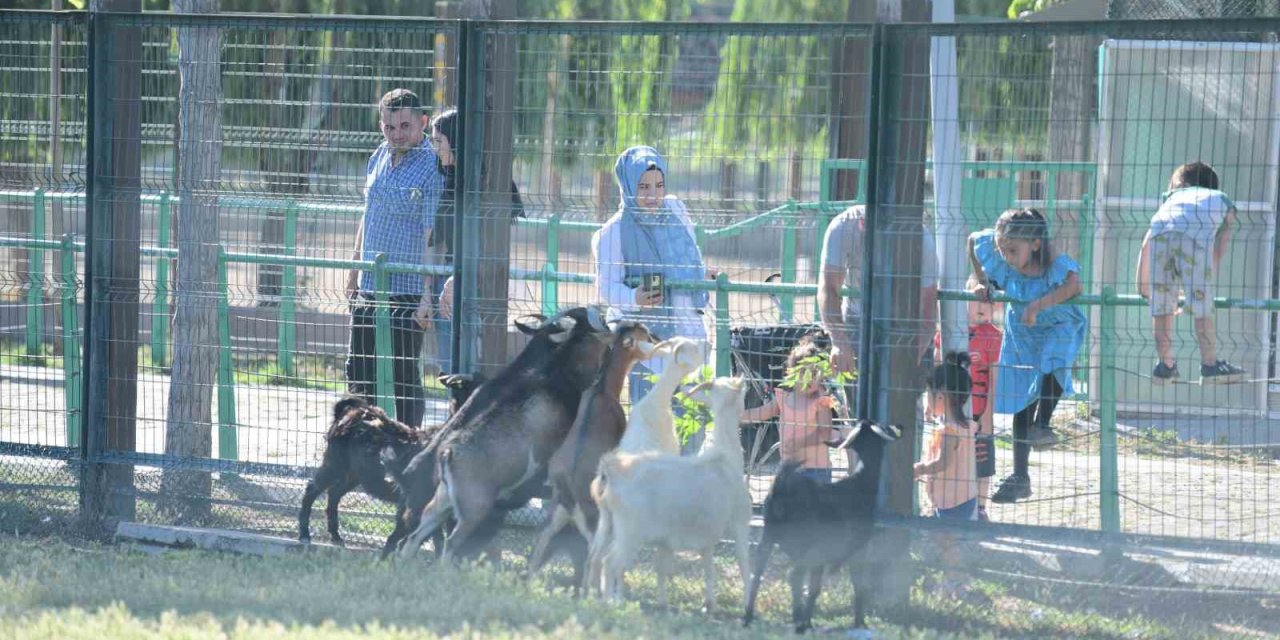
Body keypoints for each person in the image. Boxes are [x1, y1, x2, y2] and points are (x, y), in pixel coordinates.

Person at [592, 145, 712, 454]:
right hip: (649, 343)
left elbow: (690, 252)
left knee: (692, 416)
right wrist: (635, 297)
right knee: (652, 422)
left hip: (689, 330)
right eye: (643, 186)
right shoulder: (613, 232)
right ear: (628, 186)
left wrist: (700, 274)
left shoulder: (675, 211)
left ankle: (686, 485)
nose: (652, 194)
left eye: (659, 185)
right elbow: (607, 289)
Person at [968, 208, 1086, 504]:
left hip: (1058, 322)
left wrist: (1037, 306)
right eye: (1001, 250)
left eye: (1012, 250)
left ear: (1035, 244)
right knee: (1023, 395)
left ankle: (1043, 425)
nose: (1006, 256)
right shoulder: (1004, 262)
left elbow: (1074, 285)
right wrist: (980, 280)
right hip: (1022, 330)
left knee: (1054, 362)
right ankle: (1020, 476)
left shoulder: (1055, 263)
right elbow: (973, 240)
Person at [344, 88, 444, 429]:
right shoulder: (378, 157)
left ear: (423, 122)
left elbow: (433, 234)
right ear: (380, 126)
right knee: (359, 369)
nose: (397, 134)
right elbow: (367, 214)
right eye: (389, 127)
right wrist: (353, 270)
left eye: (405, 126)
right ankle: (357, 445)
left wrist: (427, 295)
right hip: (370, 283)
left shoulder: (432, 167)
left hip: (407, 288)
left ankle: (409, 446)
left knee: (403, 374)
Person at [426, 108, 525, 374]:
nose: (434, 148)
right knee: (452, 369)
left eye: (439, 141)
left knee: (470, 369)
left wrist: (459, 275)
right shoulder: (450, 179)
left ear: (455, 141)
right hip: (450, 278)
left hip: (475, 281)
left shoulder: (484, 184)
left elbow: (487, 240)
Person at [818, 205, 939, 416]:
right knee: (858, 410)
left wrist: (909, 358)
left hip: (903, 322)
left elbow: (927, 311)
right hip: (857, 318)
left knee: (904, 410)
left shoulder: (921, 240)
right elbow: (828, 288)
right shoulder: (842, 227)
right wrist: (839, 341)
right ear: (863, 226)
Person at [1135, 161, 1243, 384]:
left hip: (1160, 235)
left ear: (1181, 184)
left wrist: (1143, 287)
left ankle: (1165, 365)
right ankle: (1210, 364)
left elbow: (1145, 245)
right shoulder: (1219, 199)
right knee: (1202, 308)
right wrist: (1201, 283)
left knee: (1161, 308)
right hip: (1195, 238)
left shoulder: (1170, 201)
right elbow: (1218, 246)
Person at [931, 272, 1001, 521]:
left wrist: (988, 417)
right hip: (952, 412)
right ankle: (941, 504)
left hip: (979, 413)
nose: (984, 307)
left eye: (989, 302)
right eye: (977, 300)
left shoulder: (993, 336)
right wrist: (935, 406)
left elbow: (993, 380)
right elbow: (937, 371)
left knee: (982, 462)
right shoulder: (950, 329)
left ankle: (980, 508)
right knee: (948, 459)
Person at [740, 338, 843, 483]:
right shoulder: (784, 397)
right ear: (791, 373)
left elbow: (824, 432)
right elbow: (762, 413)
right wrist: (734, 416)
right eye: (803, 373)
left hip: (816, 471)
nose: (809, 379)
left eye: (814, 374)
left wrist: (800, 444)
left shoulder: (821, 401)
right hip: (789, 469)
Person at [914, 352, 979, 520]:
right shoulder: (967, 426)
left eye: (928, 394)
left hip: (952, 501)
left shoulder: (949, 431)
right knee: (946, 542)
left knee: (943, 542)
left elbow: (943, 462)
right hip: (964, 497)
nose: (926, 400)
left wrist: (919, 469)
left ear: (941, 396)